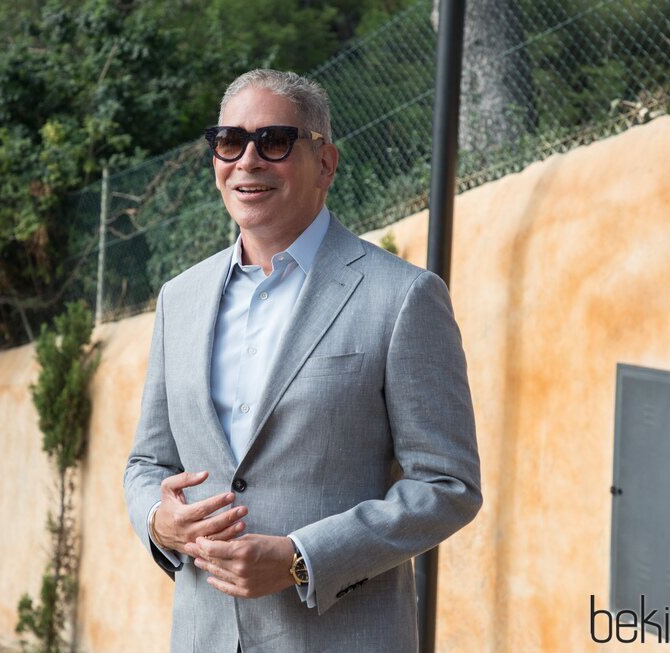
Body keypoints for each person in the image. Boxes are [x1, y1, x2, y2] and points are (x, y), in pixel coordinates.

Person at [123, 68, 482, 653]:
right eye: (229, 141)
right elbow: (147, 461)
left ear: (326, 163)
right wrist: (159, 522)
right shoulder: (178, 298)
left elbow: (447, 485)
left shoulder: (401, 297)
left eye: (275, 141)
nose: (248, 161)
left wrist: (299, 560)